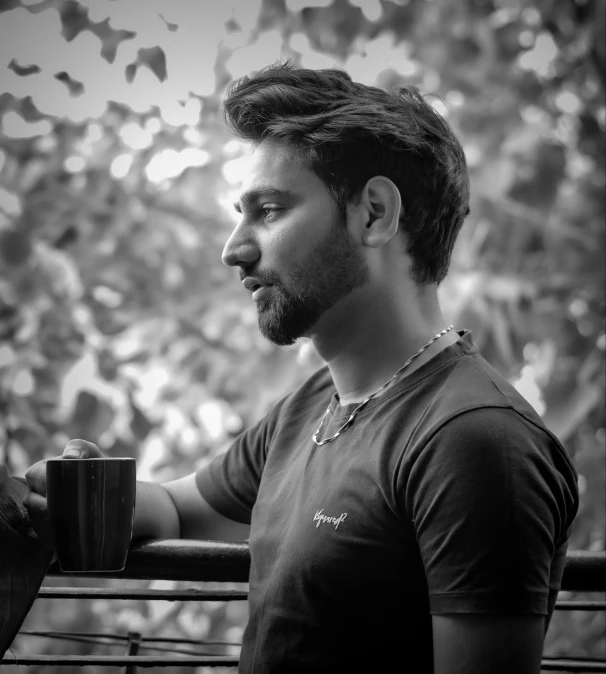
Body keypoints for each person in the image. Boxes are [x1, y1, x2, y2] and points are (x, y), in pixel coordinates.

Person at [24, 62, 579, 674]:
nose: (233, 249)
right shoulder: (316, 403)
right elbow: (180, 511)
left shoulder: (473, 442)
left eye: (268, 210)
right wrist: (76, 493)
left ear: (374, 213)